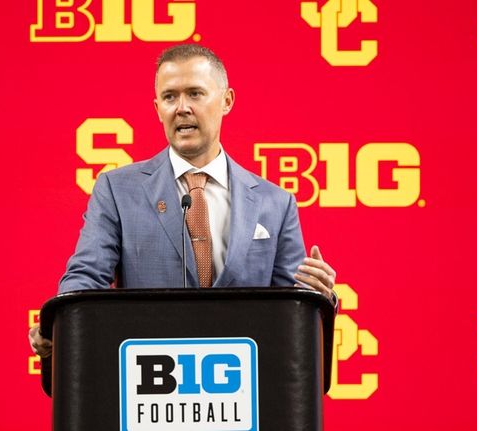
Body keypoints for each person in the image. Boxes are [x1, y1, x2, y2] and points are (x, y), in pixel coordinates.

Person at [29, 44, 336, 357]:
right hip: (150, 382)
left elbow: (293, 306)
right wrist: (57, 321)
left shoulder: (276, 203)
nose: (182, 108)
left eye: (195, 93)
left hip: (243, 386)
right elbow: (86, 278)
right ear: (157, 108)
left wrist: (317, 297)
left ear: (226, 101)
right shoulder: (117, 190)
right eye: (170, 97)